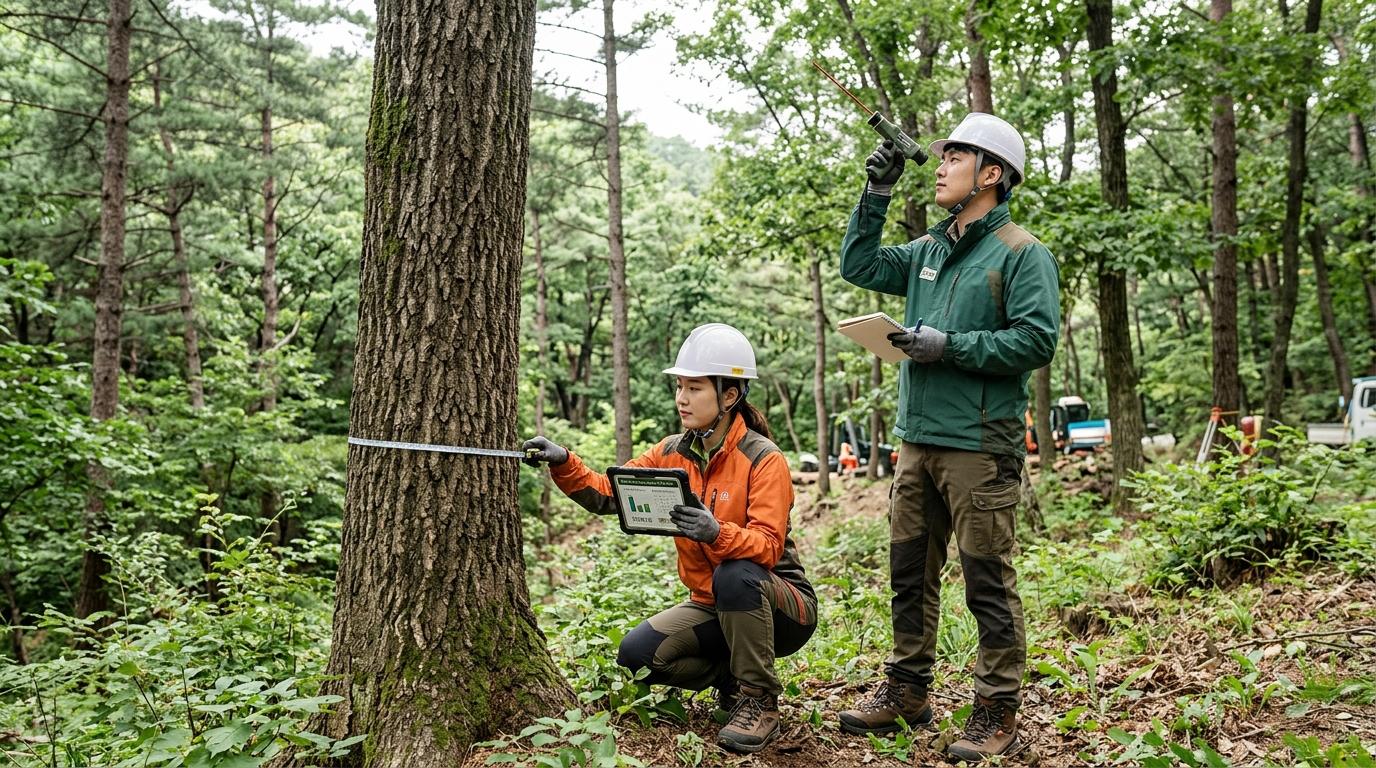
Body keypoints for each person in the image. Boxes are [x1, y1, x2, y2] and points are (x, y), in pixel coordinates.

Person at [834, 113, 1061, 761]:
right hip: (917, 441)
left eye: (954, 156)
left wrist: (950, 345)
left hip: (980, 447)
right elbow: (861, 265)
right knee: (909, 571)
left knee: (986, 579)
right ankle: (907, 690)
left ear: (991, 174)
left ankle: (995, 708)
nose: (939, 165)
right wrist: (873, 196)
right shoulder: (928, 252)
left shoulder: (1021, 252)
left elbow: (1037, 339)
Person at [522, 323, 817, 754]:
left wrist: (716, 532)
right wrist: (564, 462)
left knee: (736, 574)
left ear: (729, 395)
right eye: (680, 386)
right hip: (711, 604)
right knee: (638, 655)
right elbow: (611, 493)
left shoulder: (763, 459)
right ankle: (731, 678)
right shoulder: (671, 452)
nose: (681, 398)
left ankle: (760, 701)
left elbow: (768, 547)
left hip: (783, 606)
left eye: (695, 388)